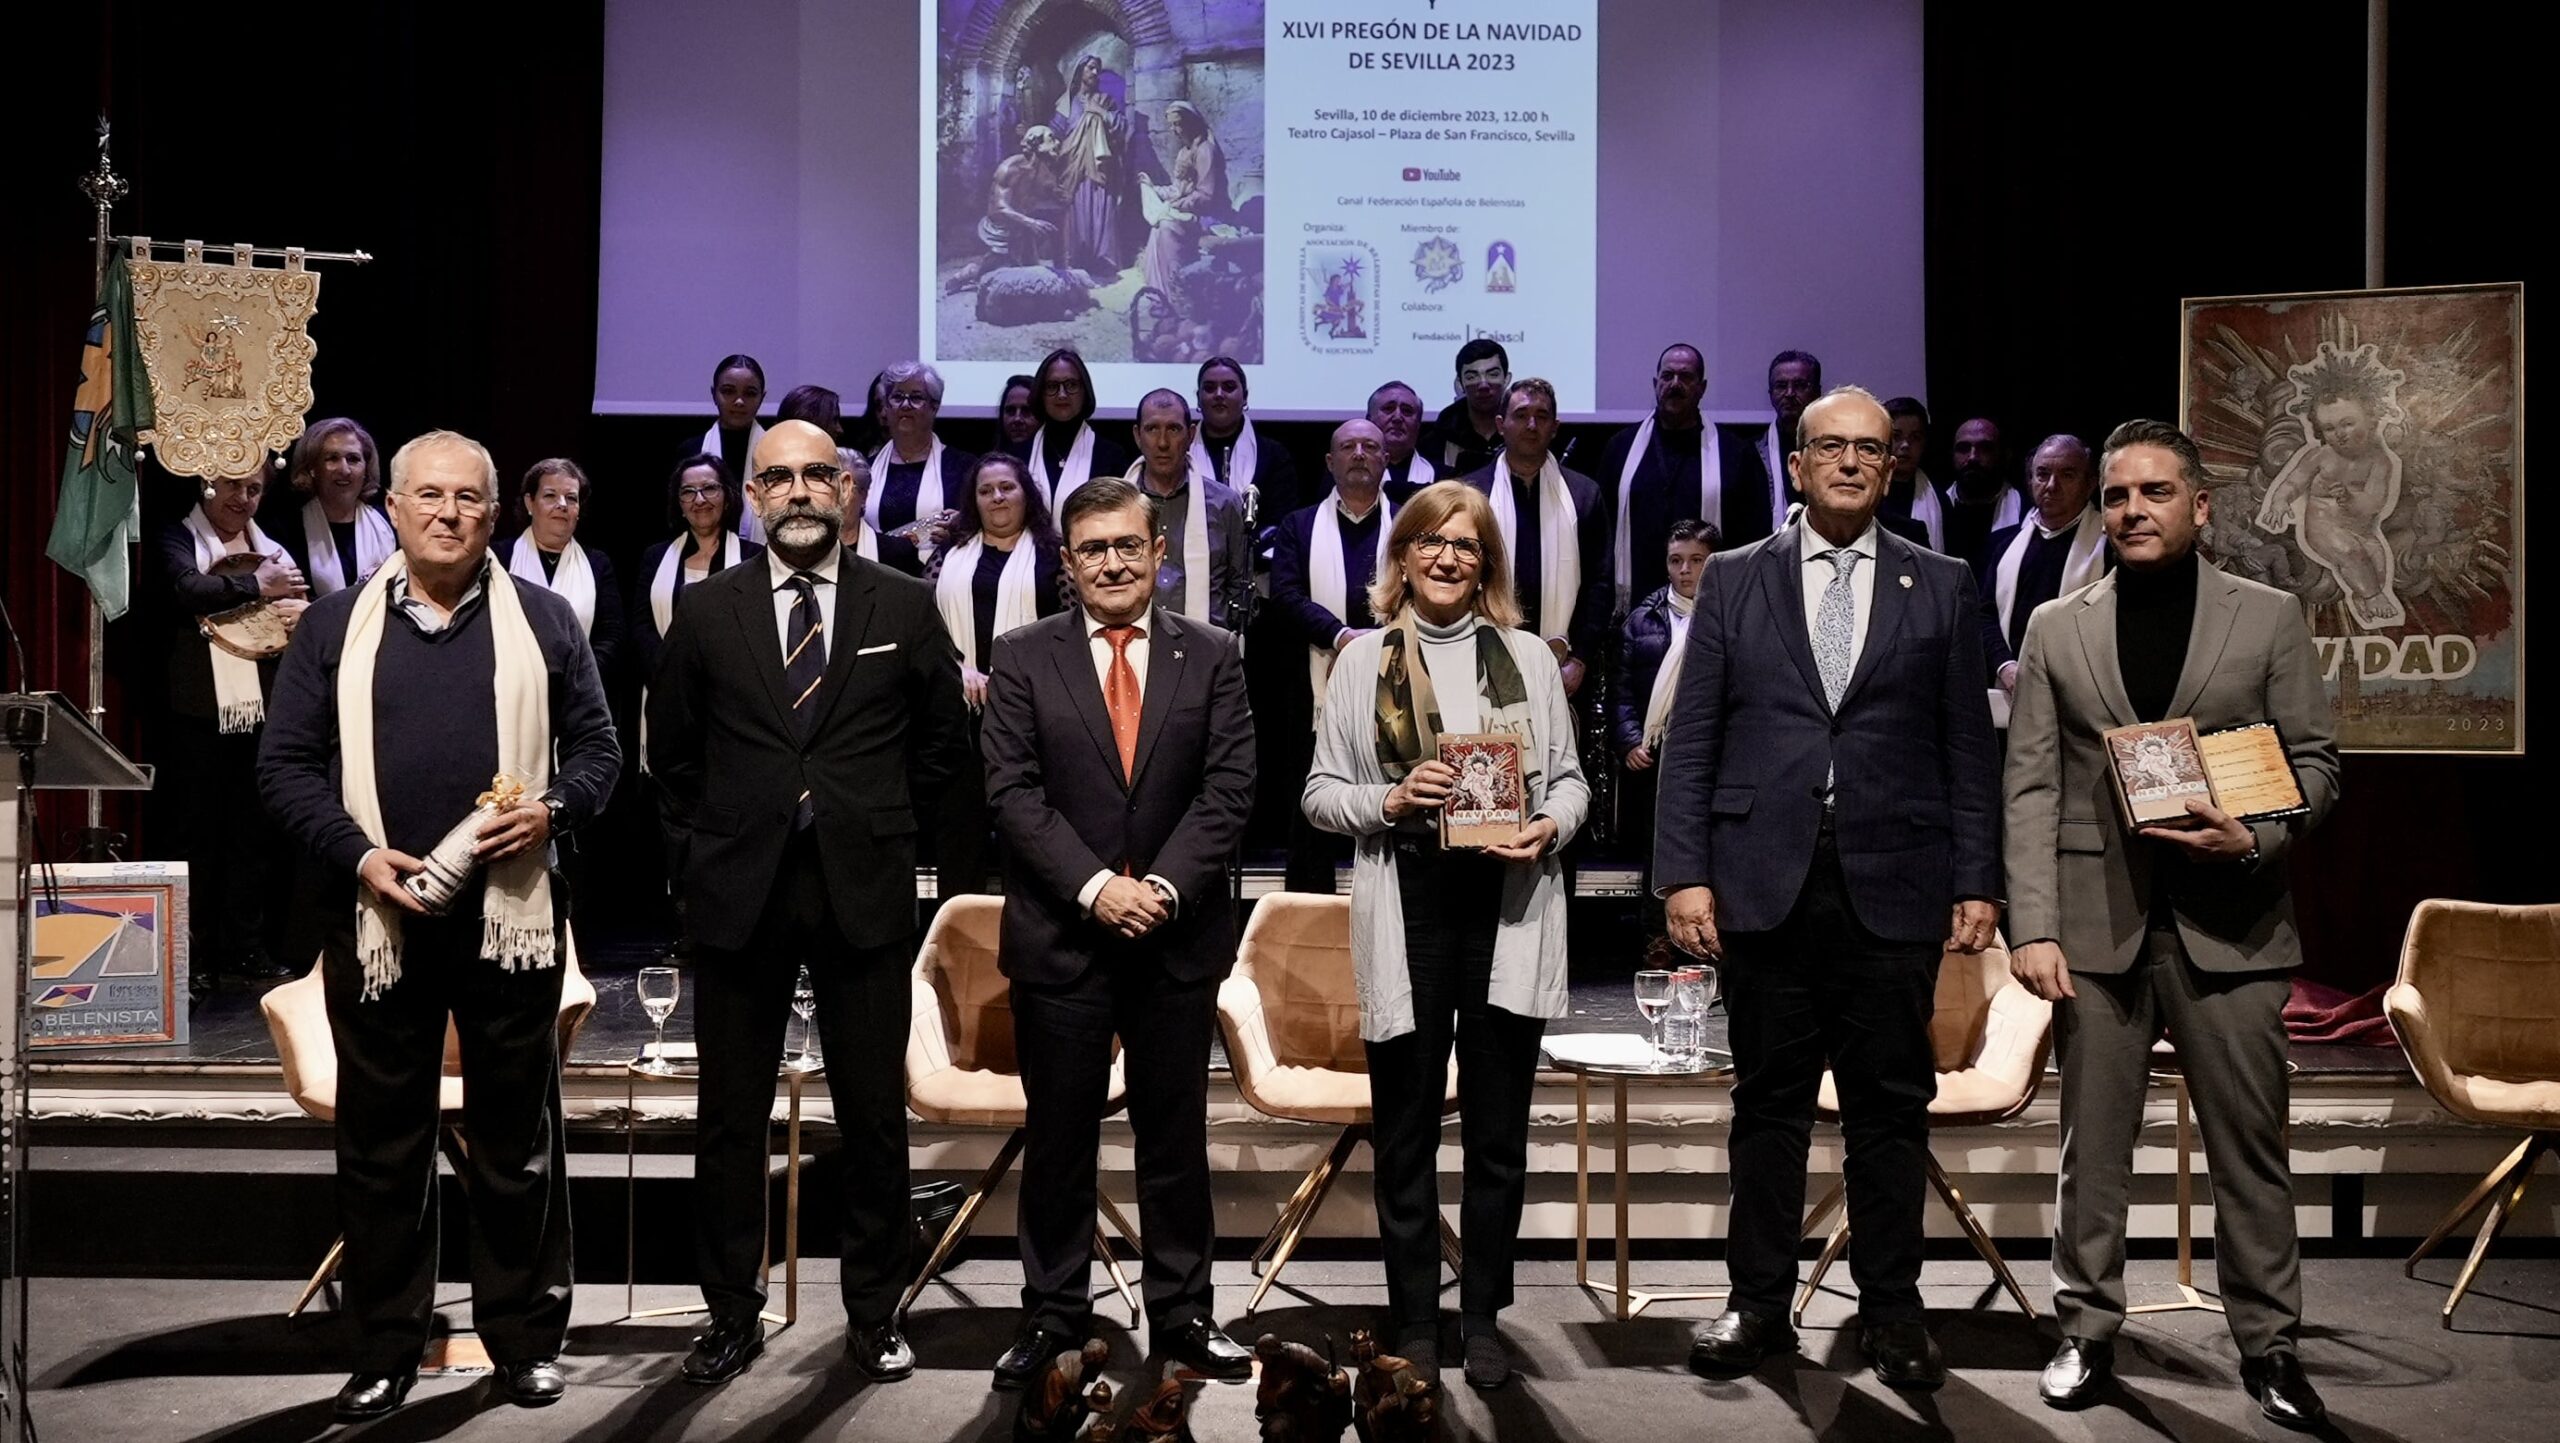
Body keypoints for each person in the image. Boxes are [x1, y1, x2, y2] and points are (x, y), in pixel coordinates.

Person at [260, 430, 619, 1420]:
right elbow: (283, 767)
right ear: (396, 506)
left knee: (517, 1145)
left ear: (494, 514)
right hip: (377, 923)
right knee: (383, 1150)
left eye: (468, 498)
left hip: (511, 921)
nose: (449, 513)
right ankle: (385, 1351)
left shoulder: (544, 619)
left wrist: (552, 810)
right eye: (429, 496)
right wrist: (359, 855)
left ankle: (524, 1342)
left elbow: (599, 750)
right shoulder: (334, 624)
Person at [1656, 386, 2001, 1394]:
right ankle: (1757, 1304)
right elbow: (1693, 738)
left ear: (1892, 468)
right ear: (1798, 465)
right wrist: (1683, 874)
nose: (1851, 461)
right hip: (1763, 883)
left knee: (1889, 1110)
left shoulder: (1943, 583)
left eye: (1871, 449)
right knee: (1767, 1106)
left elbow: (1966, 747)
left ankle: (1892, 1311)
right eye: (1831, 447)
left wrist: (1978, 876)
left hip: (1896, 885)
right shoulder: (1734, 576)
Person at [2004, 419, 2339, 1428]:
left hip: (2233, 927)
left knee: (2250, 1151)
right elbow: (2028, 786)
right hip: (2096, 929)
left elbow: (2316, 765)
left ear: (2200, 505)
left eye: (2154, 492)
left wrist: (2255, 836)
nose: (2132, 510)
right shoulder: (2055, 626)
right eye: (2116, 496)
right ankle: (2084, 1329)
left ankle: (2269, 1347)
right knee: (2092, 1151)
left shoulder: (2268, 616)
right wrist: (2032, 926)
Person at [646, 420, 969, 1386]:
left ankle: (873, 1314)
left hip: (863, 891)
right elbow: (673, 755)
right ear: (752, 495)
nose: (797, 491)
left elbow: (943, 748)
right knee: (729, 1119)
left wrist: (887, 832)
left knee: (873, 1118)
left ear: (846, 491)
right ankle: (729, 1313)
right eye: (777, 476)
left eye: (816, 475)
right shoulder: (707, 609)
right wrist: (706, 853)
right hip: (738, 896)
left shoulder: (903, 602)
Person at [1301, 480, 1590, 1391]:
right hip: (1409, 908)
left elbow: (1572, 782)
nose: (1447, 557)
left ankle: (1485, 1315)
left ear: (1487, 562)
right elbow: (1318, 794)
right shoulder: (1361, 661)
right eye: (1431, 540)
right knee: (1407, 1135)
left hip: (1508, 909)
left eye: (1466, 544)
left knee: (1498, 1137)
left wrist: (1548, 826)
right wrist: (1389, 798)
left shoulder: (1528, 656)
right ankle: (1419, 1321)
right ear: (1403, 555)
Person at [978, 476, 1258, 1391]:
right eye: (1093, 548)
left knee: (1174, 1139)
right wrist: (1098, 888)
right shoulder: (1022, 655)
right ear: (1068, 562)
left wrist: (1162, 888)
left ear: (1159, 552)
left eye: (1127, 545)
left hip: (1175, 939)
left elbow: (1229, 790)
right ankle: (1052, 1315)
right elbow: (1011, 793)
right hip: (1063, 937)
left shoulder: (1212, 653)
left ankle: (1184, 1313)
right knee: (1059, 1142)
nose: (1112, 563)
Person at [160, 471, 307, 993]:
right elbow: (186, 588)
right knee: (197, 837)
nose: (242, 498)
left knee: (253, 836)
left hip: (261, 710)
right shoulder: (178, 537)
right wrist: (256, 586)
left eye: (254, 489)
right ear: (206, 485)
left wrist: (297, 611)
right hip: (198, 713)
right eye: (232, 485)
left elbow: (296, 601)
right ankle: (193, 953)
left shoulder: (272, 547)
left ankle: (243, 946)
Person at [927, 453, 1070, 895]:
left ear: (1027, 494)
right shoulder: (949, 553)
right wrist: (958, 668)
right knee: (960, 837)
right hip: (960, 714)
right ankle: (957, 932)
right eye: (986, 490)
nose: (997, 497)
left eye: (1007, 487)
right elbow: (921, 623)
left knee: (1025, 836)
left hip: (1032, 714)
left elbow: (1071, 631)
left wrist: (1011, 679)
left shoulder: (1053, 555)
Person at [1270, 419, 1395, 893]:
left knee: (1389, 802)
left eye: (1370, 446)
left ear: (1386, 460)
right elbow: (1285, 595)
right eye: (1348, 446)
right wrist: (1341, 637)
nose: (1359, 453)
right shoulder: (1298, 525)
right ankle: (1307, 921)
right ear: (1329, 461)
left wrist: (1378, 642)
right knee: (1311, 812)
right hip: (1315, 688)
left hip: (1395, 681)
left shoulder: (1409, 523)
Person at [1595, 345, 1780, 612]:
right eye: (1667, 376)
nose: (1675, 384)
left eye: (1685, 377)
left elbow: (1753, 542)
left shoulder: (1735, 454)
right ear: (1655, 384)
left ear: (1702, 387)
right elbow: (1602, 535)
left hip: (1710, 611)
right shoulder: (1620, 448)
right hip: (1634, 608)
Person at [1463, 379, 1609, 696]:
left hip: (1563, 665)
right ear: (1500, 425)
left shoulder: (1584, 494)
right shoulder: (1469, 494)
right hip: (1478, 660)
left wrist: (1580, 658)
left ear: (1555, 428)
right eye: (1521, 415)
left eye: (1541, 416)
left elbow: (1599, 584)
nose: (1531, 425)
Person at [1610, 520, 1717, 903]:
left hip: (1711, 752)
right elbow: (1621, 690)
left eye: (1696, 560)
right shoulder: (1643, 620)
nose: (1685, 570)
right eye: (1676, 560)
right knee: (1658, 848)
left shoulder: (1728, 614)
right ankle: (1655, 931)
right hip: (1657, 754)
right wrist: (1629, 740)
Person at [1976, 434, 2108, 703]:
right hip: (2012, 690)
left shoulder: (2109, 545)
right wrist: (2005, 666)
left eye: (2067, 475)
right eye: (2042, 474)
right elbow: (1984, 615)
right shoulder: (2004, 544)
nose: (2051, 485)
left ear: (2090, 484)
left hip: (2085, 693)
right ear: (2030, 480)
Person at [1126, 389, 1253, 634]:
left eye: (1173, 429)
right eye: (1152, 429)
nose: (1163, 442)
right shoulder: (1114, 505)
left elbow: (1238, 586)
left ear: (1191, 435)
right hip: (1130, 641)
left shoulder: (1224, 503)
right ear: (1137, 435)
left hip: (1206, 644)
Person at [507, 459, 624, 684]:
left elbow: (612, 635)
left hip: (580, 689)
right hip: (513, 686)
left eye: (571, 498)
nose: (562, 504)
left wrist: (579, 682)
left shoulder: (598, 564)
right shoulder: (500, 558)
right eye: (550, 495)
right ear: (530, 503)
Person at [865, 361, 978, 578]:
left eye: (916, 398)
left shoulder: (964, 467)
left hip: (940, 580)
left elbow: (978, 527)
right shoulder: (867, 469)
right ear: (886, 407)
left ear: (934, 407)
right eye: (897, 397)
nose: (905, 405)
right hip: (876, 580)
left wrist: (962, 528)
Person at [278, 417, 396, 598]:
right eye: (332, 458)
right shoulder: (285, 531)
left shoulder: (391, 522)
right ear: (312, 468)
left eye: (353, 459)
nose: (344, 470)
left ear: (366, 469)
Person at [944, 127, 1070, 292]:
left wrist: (1057, 198)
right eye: (1051, 138)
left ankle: (1063, 276)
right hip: (1001, 228)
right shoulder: (1010, 168)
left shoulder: (1046, 172)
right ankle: (969, 273)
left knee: (1029, 273)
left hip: (1023, 229)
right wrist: (1030, 222)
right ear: (1036, 143)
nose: (1057, 143)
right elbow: (998, 208)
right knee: (992, 269)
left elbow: (1054, 199)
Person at [1190, 356, 1300, 524]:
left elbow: (1283, 521)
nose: (1219, 394)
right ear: (1198, 398)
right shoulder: (1181, 453)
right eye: (1210, 388)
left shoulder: (1273, 455)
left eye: (1229, 387)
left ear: (1245, 397)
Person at [1139, 101, 1229, 299]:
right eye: (1171, 125)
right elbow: (1177, 189)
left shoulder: (1205, 150)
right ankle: (1158, 291)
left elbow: (1206, 196)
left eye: (1178, 124)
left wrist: (1176, 205)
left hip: (1206, 217)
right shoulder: (1183, 152)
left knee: (1166, 228)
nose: (1174, 130)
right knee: (1158, 225)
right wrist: (1153, 188)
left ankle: (1175, 291)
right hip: (1186, 212)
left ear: (1191, 123)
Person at [1027, 347, 1132, 510]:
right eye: (1052, 386)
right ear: (1041, 393)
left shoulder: (1110, 456)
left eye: (1071, 385)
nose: (1062, 394)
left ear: (1085, 390)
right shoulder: (1019, 455)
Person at [1053, 54, 1130, 273]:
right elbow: (1056, 132)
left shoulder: (1105, 100)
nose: (1095, 73)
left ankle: (1103, 259)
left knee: (1102, 208)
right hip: (1074, 166)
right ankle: (1078, 257)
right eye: (1091, 68)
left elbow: (1122, 127)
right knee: (1077, 210)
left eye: (1097, 69)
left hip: (1100, 166)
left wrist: (1101, 113)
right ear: (1080, 71)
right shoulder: (1067, 102)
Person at [696, 354, 769, 545]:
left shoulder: (777, 451)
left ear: (762, 398)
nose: (739, 401)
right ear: (714, 394)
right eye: (728, 391)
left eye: (750, 393)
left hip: (765, 555)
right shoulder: (692, 452)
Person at [1942, 416, 2025, 566]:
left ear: (2005, 455)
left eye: (1985, 448)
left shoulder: (2026, 513)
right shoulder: (1939, 506)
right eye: (1963, 449)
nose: (1973, 457)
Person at [1752, 350, 1823, 526]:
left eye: (1800, 385)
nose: (1789, 393)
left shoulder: (1836, 450)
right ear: (1771, 394)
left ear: (1817, 392)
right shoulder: (1751, 454)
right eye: (1781, 386)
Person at [1430, 340, 1509, 479]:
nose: (1483, 385)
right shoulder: (1440, 438)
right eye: (1472, 377)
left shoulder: (1522, 430)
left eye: (1493, 374)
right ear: (1460, 383)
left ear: (1507, 379)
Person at [1880, 397, 1948, 553]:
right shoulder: (1866, 493)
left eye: (1915, 437)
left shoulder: (1940, 499)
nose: (1905, 445)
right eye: (1896, 436)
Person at [1367, 381, 1436, 501]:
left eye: (1407, 411)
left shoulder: (1444, 477)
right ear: (1369, 420)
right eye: (1388, 409)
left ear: (1418, 424)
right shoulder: (1345, 473)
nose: (1398, 418)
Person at [996, 373, 1042, 458]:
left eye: (1026, 411)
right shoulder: (990, 463)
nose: (1017, 419)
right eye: (1010, 411)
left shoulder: (1057, 463)